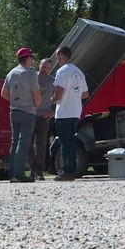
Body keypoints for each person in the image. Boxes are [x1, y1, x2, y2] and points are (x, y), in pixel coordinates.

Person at [1, 47, 41, 183]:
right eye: (31, 58)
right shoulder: (30, 74)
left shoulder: (11, 73)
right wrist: (36, 104)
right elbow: (37, 95)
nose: (32, 60)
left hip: (14, 111)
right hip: (28, 112)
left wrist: (15, 100)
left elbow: (3, 93)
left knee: (14, 142)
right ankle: (19, 174)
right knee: (23, 143)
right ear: (28, 58)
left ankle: (12, 173)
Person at [52, 46, 89, 181]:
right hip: (75, 112)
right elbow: (85, 94)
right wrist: (73, 96)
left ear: (62, 55)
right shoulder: (79, 72)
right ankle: (72, 169)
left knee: (65, 143)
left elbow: (60, 89)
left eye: (57, 56)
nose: (57, 59)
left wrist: (54, 99)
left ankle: (67, 171)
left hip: (63, 112)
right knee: (71, 142)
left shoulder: (62, 71)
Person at [28, 58, 54, 181]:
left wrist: (52, 112)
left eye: (48, 68)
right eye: (44, 67)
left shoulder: (53, 82)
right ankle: (32, 168)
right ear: (39, 65)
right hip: (30, 114)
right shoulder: (32, 78)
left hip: (44, 116)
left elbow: (59, 97)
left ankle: (40, 171)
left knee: (41, 144)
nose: (45, 70)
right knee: (28, 143)